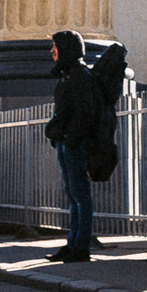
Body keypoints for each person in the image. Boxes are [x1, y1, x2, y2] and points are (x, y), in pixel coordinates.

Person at [42, 32, 103, 262]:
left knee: (80, 196)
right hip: (67, 142)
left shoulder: (79, 75)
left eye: (55, 46)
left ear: (66, 48)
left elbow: (85, 113)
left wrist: (70, 139)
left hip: (74, 144)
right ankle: (73, 244)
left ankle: (81, 247)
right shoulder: (69, 74)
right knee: (73, 195)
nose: (52, 50)